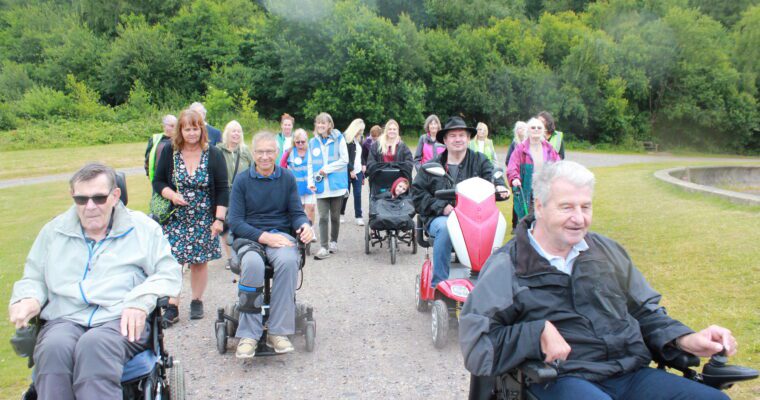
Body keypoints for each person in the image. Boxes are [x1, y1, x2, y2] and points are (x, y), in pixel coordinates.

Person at [460, 161, 736, 400]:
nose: (578, 218)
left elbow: (643, 312)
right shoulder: (508, 266)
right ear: (540, 207)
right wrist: (535, 334)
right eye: (566, 207)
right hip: (561, 378)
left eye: (585, 206)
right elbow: (477, 346)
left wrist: (684, 339)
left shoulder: (608, 252)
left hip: (629, 373)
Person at [8, 163, 181, 399]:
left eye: (99, 198)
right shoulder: (54, 231)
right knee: (52, 348)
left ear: (115, 196)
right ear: (73, 196)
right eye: (82, 199)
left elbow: (169, 272)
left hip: (120, 317)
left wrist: (140, 301)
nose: (90, 206)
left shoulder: (143, 229)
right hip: (66, 317)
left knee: (94, 347)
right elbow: (34, 276)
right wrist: (29, 297)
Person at [227, 132, 314, 358]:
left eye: (269, 152)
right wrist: (265, 237)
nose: (265, 157)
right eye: (260, 152)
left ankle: (278, 331)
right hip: (250, 238)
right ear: (253, 153)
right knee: (253, 265)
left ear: (277, 153)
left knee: (287, 261)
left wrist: (304, 225)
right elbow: (235, 221)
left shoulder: (287, 178)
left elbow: (296, 212)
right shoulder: (242, 181)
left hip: (280, 237)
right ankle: (248, 334)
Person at [411, 116, 508, 288]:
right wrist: (442, 207)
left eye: (461, 135)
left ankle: (485, 281)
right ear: (445, 140)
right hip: (440, 217)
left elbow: (492, 176)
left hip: (474, 217)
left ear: (468, 138)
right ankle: (438, 285)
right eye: (453, 135)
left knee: (496, 225)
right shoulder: (432, 166)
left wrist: (499, 186)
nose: (458, 139)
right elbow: (417, 195)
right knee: (447, 228)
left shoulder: (480, 160)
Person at [153, 108, 229, 323]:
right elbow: (157, 181)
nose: (192, 133)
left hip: (204, 217)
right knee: (174, 261)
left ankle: (196, 300)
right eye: (187, 129)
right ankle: (172, 305)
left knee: (199, 262)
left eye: (195, 129)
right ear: (180, 131)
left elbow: (223, 188)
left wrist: (219, 219)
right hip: (176, 217)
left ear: (201, 130)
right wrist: (171, 195)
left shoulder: (213, 153)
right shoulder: (170, 151)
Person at [309, 112, 348, 260]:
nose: (320, 125)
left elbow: (345, 159)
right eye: (318, 123)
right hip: (320, 186)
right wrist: (311, 182)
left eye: (323, 123)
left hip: (336, 185)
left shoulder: (339, 139)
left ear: (329, 125)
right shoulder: (313, 142)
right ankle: (324, 247)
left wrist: (327, 169)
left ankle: (333, 242)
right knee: (323, 217)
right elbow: (310, 164)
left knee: (335, 217)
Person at [507, 117, 560, 223]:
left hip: (545, 190)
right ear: (528, 130)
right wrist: (514, 178)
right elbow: (512, 167)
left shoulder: (548, 148)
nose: (536, 129)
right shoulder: (520, 149)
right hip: (527, 190)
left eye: (539, 127)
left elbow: (558, 165)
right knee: (527, 219)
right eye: (533, 127)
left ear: (543, 130)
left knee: (545, 218)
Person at [217, 120, 254, 267]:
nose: (236, 134)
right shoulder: (218, 151)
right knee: (225, 226)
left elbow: (253, 170)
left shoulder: (245, 151)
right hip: (224, 193)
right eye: (233, 131)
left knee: (241, 224)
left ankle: (241, 254)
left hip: (242, 194)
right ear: (227, 133)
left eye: (239, 131)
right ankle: (230, 257)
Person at [280, 128, 317, 233]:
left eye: (303, 141)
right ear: (294, 141)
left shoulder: (311, 151)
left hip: (310, 186)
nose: (300, 143)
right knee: (298, 211)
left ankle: (311, 230)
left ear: (306, 140)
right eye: (298, 142)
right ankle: (298, 230)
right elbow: (282, 167)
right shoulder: (289, 152)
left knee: (311, 208)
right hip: (295, 188)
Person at [340, 118, 366, 226]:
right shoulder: (345, 138)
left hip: (359, 171)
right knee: (345, 194)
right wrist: (350, 170)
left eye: (362, 131)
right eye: (359, 130)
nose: (361, 133)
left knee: (358, 193)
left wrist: (364, 164)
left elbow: (361, 154)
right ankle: (341, 213)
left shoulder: (360, 138)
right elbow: (344, 156)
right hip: (347, 171)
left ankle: (358, 216)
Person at [506, 121, 528, 230]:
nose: (521, 130)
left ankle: (527, 224)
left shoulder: (530, 144)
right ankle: (515, 226)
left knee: (529, 200)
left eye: (523, 128)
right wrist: (515, 174)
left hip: (527, 178)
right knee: (517, 201)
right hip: (516, 178)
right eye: (518, 128)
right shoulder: (514, 144)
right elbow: (508, 161)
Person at [144, 114, 177, 181]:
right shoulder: (154, 139)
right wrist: (148, 173)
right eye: (172, 126)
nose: (174, 128)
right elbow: (148, 157)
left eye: (176, 126)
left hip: (174, 177)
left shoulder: (179, 140)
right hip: (157, 177)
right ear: (164, 126)